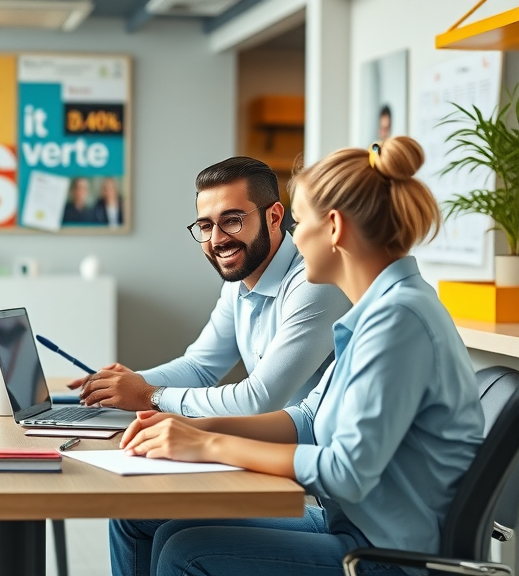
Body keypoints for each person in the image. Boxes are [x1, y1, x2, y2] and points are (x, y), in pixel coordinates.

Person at [110, 136, 485, 576]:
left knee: (186, 552)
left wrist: (208, 443)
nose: (293, 236)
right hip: (351, 523)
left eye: (299, 221)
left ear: (334, 228)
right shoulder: (379, 310)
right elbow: (307, 417)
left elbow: (344, 472)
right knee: (145, 516)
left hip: (388, 553)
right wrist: (192, 426)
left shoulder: (398, 320)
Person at [71, 157, 350, 416]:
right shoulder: (240, 281)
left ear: (274, 218)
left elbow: (258, 400)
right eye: (205, 226)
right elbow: (200, 367)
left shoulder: (315, 282)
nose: (217, 240)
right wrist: (127, 384)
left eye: (232, 221)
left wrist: (149, 395)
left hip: (314, 452)